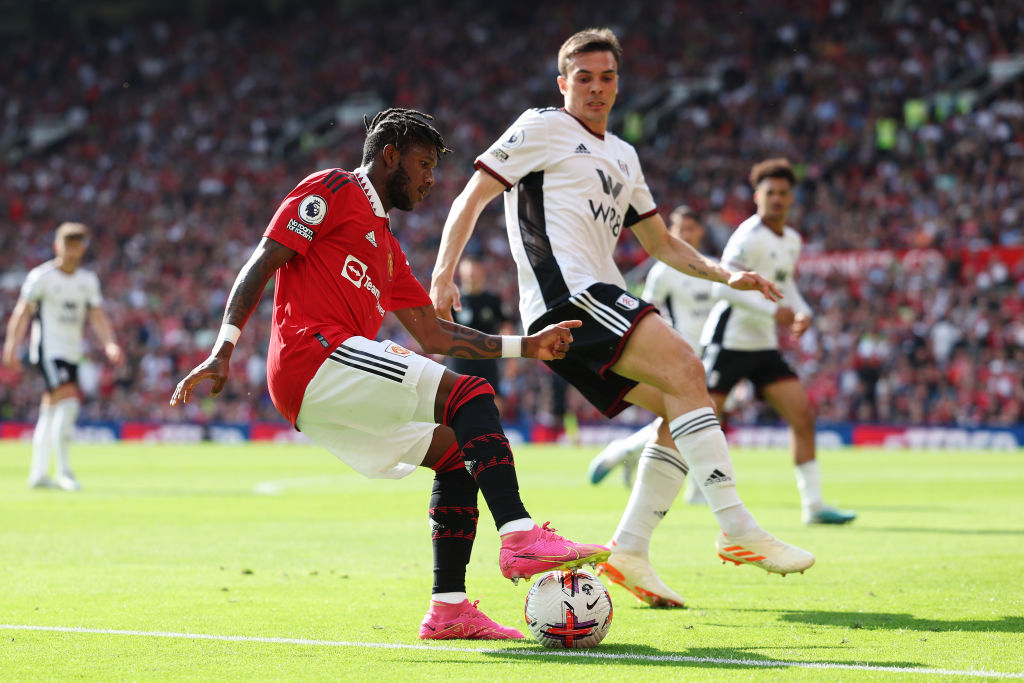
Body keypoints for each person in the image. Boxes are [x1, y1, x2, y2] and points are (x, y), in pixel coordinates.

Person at [169, 108, 609, 641]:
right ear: (390, 156)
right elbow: (264, 258)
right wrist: (224, 346)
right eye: (424, 165)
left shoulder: (388, 248)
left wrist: (528, 346)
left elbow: (435, 334)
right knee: (470, 393)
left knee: (455, 454)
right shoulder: (333, 189)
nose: (429, 180)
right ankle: (518, 534)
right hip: (313, 356)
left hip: (324, 380)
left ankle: (447, 610)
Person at [430, 28, 814, 611]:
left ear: (618, 84)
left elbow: (660, 243)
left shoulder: (624, 155)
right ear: (563, 84)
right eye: (583, 78)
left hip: (595, 298)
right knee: (689, 369)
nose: (596, 88)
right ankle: (735, 526)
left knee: (681, 408)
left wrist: (723, 273)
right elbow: (473, 195)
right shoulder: (541, 125)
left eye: (606, 77)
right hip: (570, 298)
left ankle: (630, 549)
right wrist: (443, 272)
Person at [700, 158, 856, 525]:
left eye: (784, 193)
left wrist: (802, 312)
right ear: (758, 196)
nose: (777, 199)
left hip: (763, 347)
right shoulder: (747, 236)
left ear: (792, 197)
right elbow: (722, 287)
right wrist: (776, 314)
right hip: (729, 340)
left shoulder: (792, 240)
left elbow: (788, 288)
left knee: (802, 416)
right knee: (699, 421)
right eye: (770, 193)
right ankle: (628, 454)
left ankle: (813, 506)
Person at [587, 205, 711, 505]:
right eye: (679, 229)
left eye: (690, 228)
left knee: (704, 416)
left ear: (700, 231)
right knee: (700, 415)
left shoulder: (711, 267)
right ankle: (697, 491)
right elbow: (651, 314)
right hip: (681, 356)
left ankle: (627, 449)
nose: (685, 234)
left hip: (711, 354)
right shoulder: (663, 272)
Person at [2, 222, 123, 491]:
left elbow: (97, 315)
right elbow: (23, 312)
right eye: (67, 246)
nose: (72, 252)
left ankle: (38, 473)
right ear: (58, 246)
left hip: (71, 352)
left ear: (82, 249)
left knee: (51, 409)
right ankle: (65, 472)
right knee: (69, 403)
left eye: (77, 246)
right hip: (47, 350)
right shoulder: (42, 277)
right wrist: (11, 345)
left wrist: (110, 343)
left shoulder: (87, 281)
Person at [449, 252, 514, 413]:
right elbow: (443, 327)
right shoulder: (454, 301)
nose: (471, 273)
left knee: (494, 397)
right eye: (468, 269)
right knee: (457, 398)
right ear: (461, 272)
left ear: (482, 271)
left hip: (487, 358)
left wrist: (511, 358)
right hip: (460, 359)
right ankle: (458, 436)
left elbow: (506, 326)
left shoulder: (493, 300)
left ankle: (495, 434)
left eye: (475, 269)